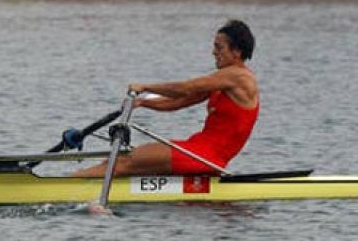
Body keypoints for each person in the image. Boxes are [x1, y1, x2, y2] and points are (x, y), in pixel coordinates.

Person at [72, 20, 259, 177]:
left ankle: (61, 187)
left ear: (237, 52)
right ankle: (72, 184)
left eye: (219, 47)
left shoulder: (239, 77)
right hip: (197, 149)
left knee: (123, 162)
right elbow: (178, 101)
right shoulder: (222, 82)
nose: (213, 52)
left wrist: (145, 87)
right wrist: (144, 103)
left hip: (204, 157)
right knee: (120, 161)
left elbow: (186, 88)